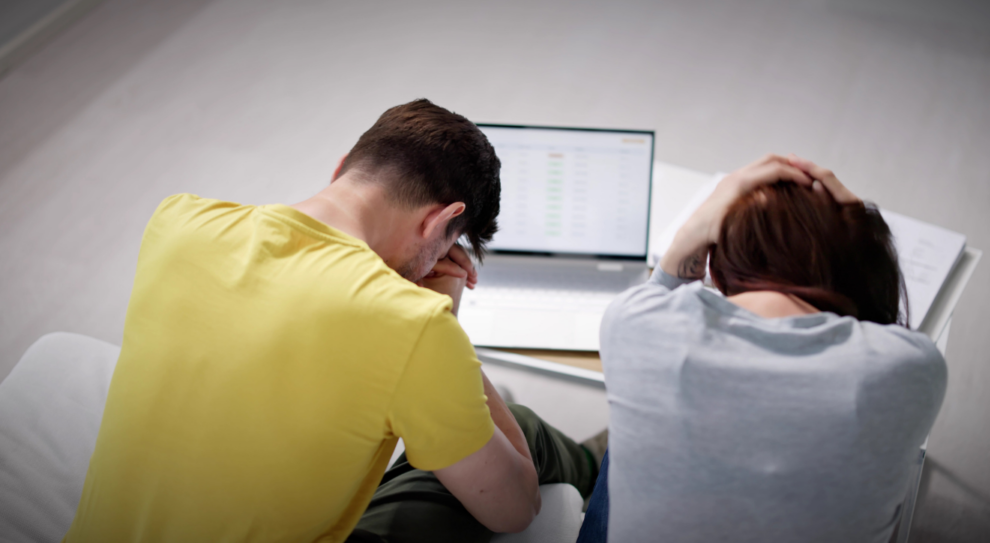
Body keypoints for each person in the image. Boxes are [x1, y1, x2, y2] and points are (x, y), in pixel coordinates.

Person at [64, 99, 599, 543]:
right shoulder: (410, 325)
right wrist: (444, 328)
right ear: (442, 221)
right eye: (448, 246)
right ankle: (605, 465)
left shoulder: (180, 222)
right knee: (518, 428)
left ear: (342, 166)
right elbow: (516, 508)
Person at [578, 154, 947, 543]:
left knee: (621, 449)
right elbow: (880, 331)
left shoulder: (634, 324)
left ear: (716, 274)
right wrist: (857, 240)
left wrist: (696, 226)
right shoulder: (911, 369)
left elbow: (659, 293)